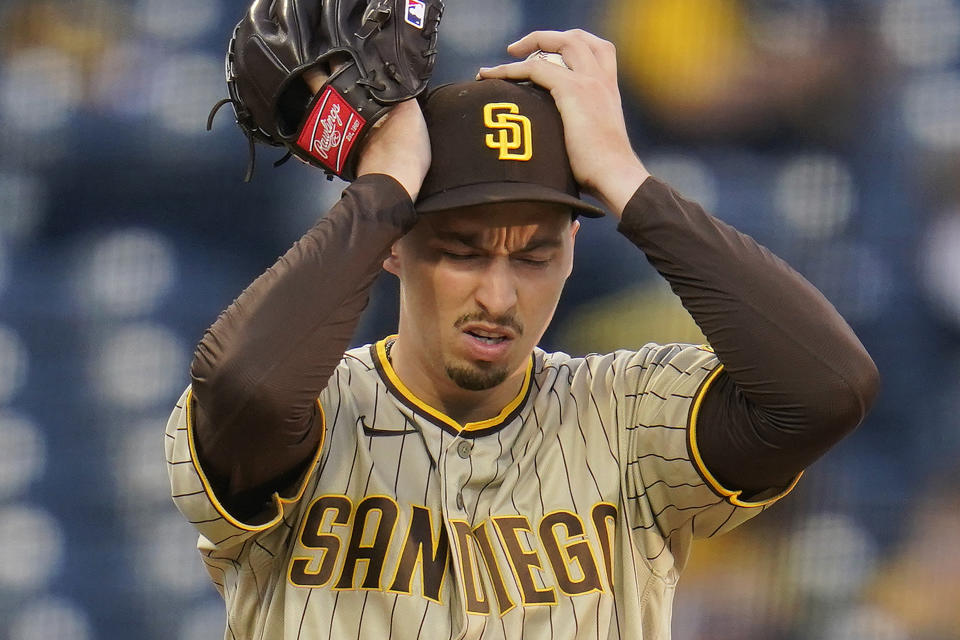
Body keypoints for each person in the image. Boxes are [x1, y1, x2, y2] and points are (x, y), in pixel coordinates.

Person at [166, 29, 878, 639]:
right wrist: (380, 193)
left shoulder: (630, 416)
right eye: (462, 250)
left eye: (534, 255)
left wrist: (626, 180)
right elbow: (246, 392)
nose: (499, 296)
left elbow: (827, 389)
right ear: (393, 245)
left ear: (570, 249)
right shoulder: (312, 409)